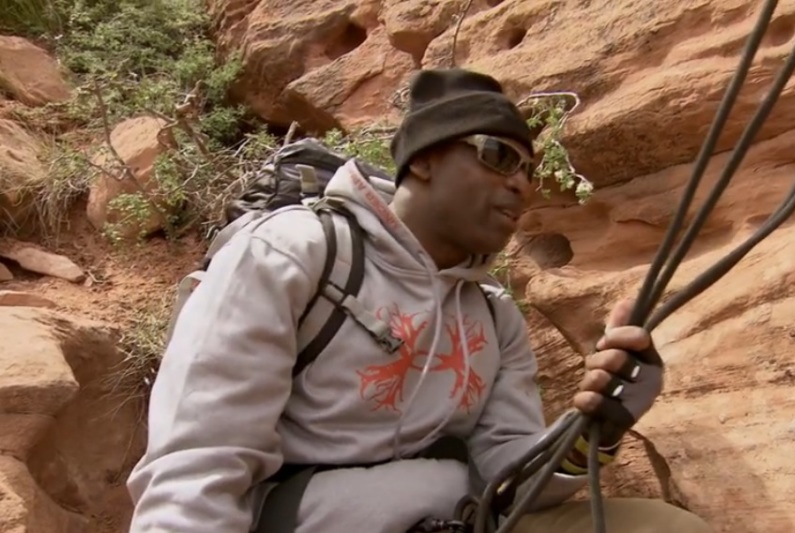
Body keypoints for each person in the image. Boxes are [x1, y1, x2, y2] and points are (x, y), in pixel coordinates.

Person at [126, 68, 712, 533]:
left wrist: (595, 427)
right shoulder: (294, 252)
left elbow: (510, 479)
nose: (520, 184)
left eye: (530, 170)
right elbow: (198, 461)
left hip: (459, 516)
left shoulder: (493, 313)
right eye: (498, 155)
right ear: (425, 159)